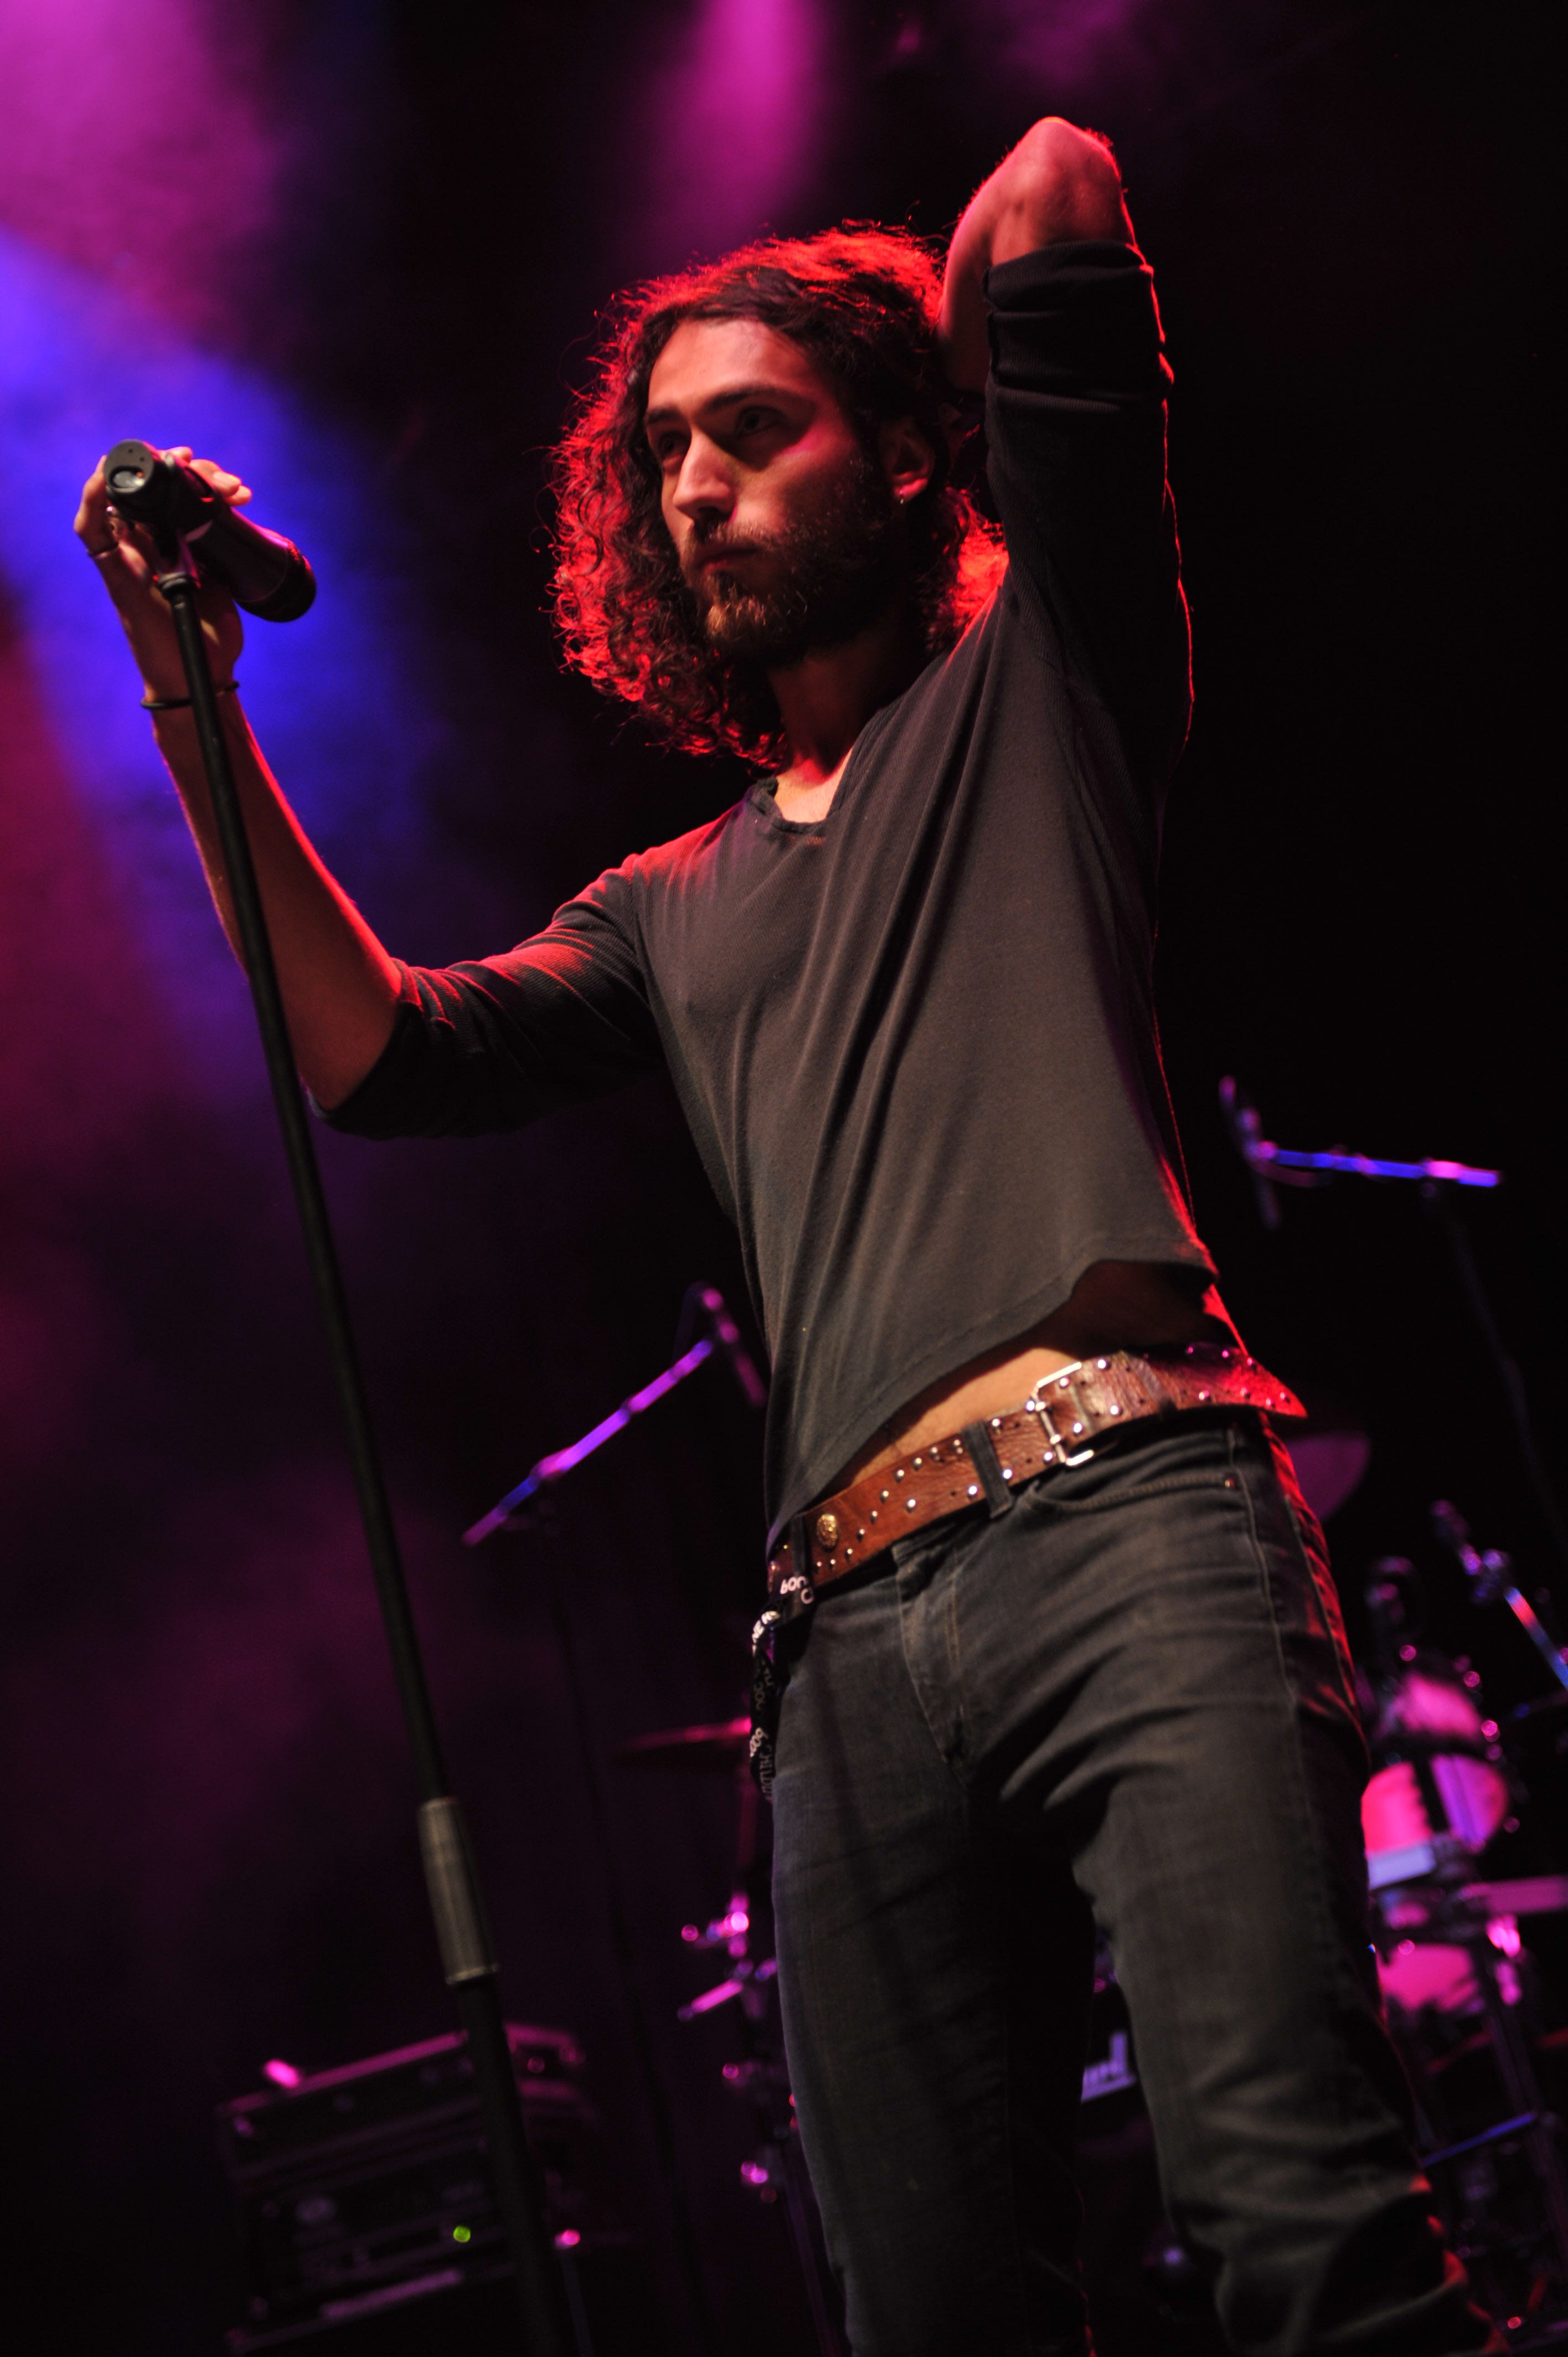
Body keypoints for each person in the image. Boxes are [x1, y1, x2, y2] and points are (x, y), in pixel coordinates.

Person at [78, 116, 1495, 2357]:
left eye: (755, 431)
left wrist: (926, 363)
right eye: (662, 458)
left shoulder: (1053, 677)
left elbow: (1047, 180)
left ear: (921, 453)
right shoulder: (668, 900)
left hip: (1137, 1525)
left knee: (1300, 2231)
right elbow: (374, 1055)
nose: (695, 489)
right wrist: (190, 693)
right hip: (839, 1647)